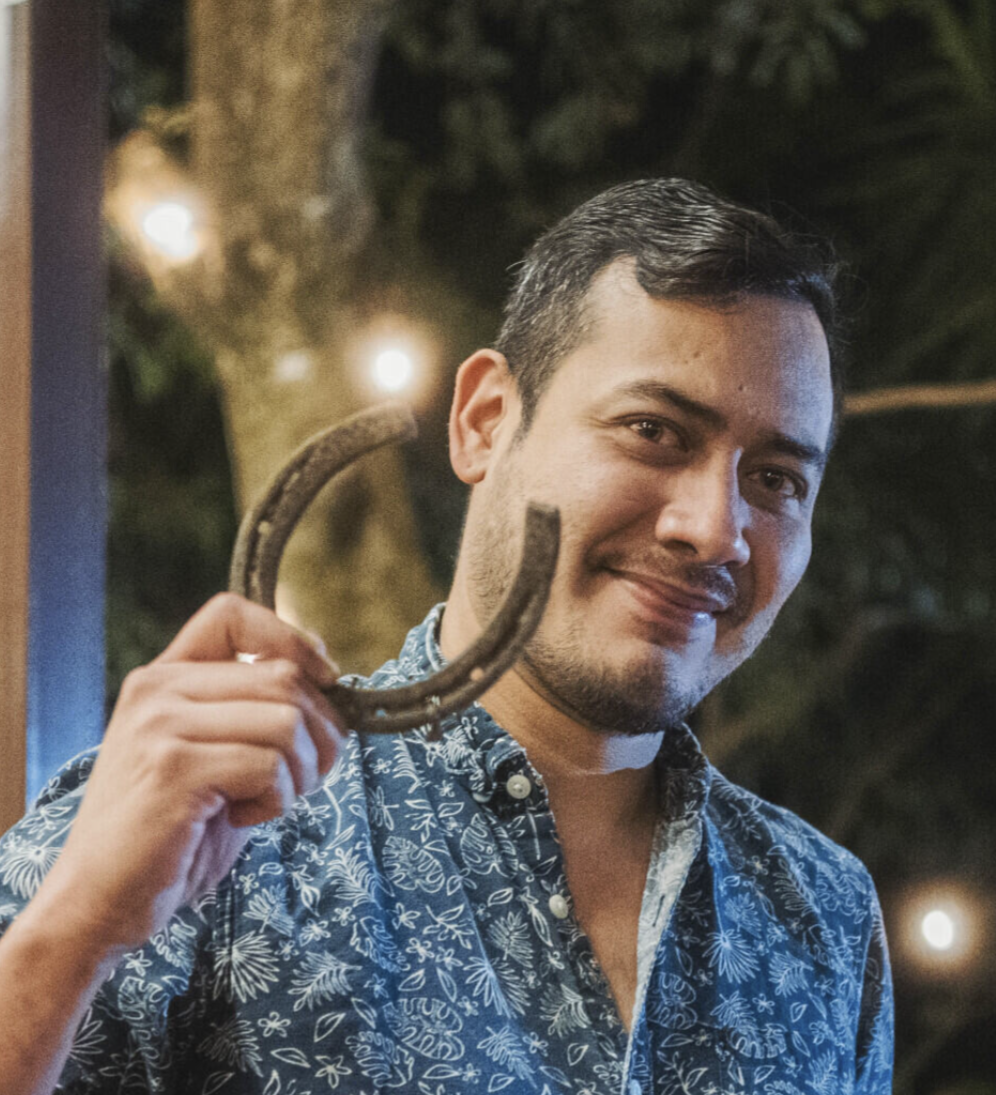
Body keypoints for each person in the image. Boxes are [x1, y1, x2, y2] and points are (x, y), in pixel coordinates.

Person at [0, 178, 893, 1094]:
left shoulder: (824, 914)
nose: (712, 529)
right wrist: (72, 935)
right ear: (485, 423)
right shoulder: (197, 824)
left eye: (776, 479)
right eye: (652, 430)